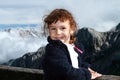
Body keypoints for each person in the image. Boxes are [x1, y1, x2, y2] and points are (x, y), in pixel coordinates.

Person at [42, 8, 102, 80]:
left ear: (71, 30)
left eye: (63, 28)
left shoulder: (76, 47)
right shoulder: (53, 50)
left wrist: (87, 68)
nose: (58, 32)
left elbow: (80, 62)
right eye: (53, 29)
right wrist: (87, 74)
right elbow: (66, 72)